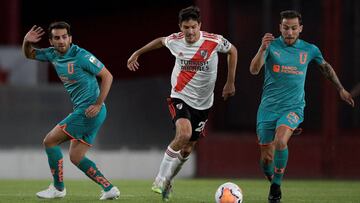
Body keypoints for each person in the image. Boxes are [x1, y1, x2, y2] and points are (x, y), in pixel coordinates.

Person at [127, 6, 238, 201]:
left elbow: (233, 51)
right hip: (180, 96)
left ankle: (168, 180)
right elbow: (160, 41)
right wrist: (137, 52)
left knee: (187, 149)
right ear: (180, 27)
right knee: (184, 133)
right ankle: (159, 179)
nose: (190, 31)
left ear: (199, 25)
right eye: (186, 27)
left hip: (203, 104)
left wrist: (230, 82)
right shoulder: (175, 40)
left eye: (194, 27)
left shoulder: (213, 41)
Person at [249, 10, 354, 203]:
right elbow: (254, 70)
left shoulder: (310, 49)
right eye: (286, 28)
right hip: (268, 109)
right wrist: (262, 49)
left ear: (300, 29)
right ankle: (270, 175)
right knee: (266, 159)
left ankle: (276, 187)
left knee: (281, 141)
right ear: (280, 27)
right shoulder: (271, 46)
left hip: (293, 108)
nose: (289, 32)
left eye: (294, 28)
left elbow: (326, 68)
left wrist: (341, 89)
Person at [22, 21, 120, 200]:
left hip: (89, 111)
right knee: (76, 157)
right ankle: (109, 188)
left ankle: (58, 189)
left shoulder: (81, 55)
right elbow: (29, 54)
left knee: (50, 141)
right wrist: (27, 42)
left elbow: (107, 76)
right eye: (57, 38)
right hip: (89, 112)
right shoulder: (52, 54)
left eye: (64, 37)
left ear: (70, 38)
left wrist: (98, 104)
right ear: (51, 41)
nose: (61, 41)